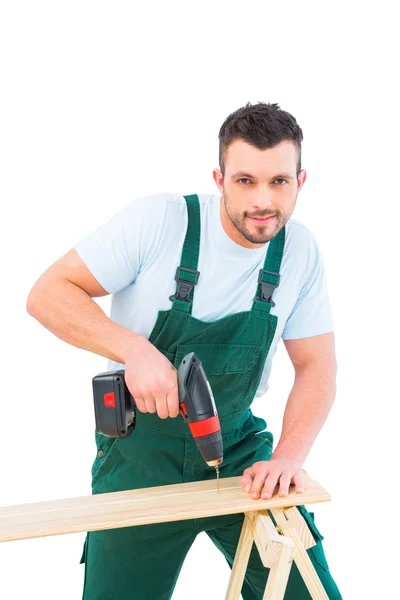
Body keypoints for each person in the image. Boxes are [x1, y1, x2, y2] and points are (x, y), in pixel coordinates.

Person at [26, 101, 342, 600]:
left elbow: (317, 367)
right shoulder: (161, 221)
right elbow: (47, 294)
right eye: (245, 181)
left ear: (301, 181)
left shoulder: (299, 251)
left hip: (239, 449)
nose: (262, 200)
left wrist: (287, 458)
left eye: (278, 181)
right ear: (219, 178)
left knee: (303, 588)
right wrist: (135, 351)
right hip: (140, 455)